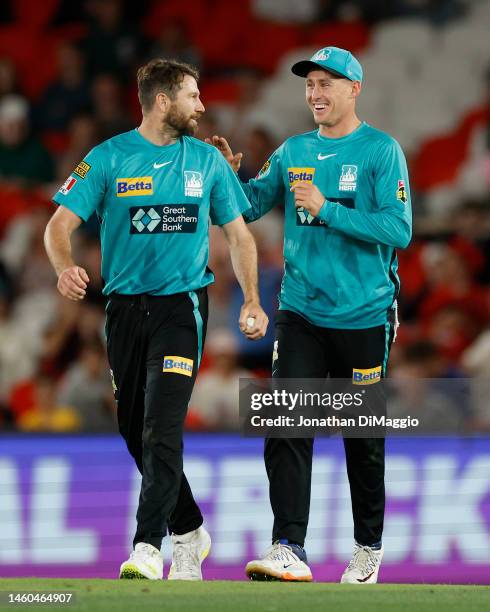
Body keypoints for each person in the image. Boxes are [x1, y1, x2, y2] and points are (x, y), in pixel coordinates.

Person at [44, 58, 268, 581]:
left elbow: (239, 236)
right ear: (163, 101)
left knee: (161, 425)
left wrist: (253, 301)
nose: (203, 105)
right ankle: (190, 528)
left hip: (180, 306)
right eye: (193, 95)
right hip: (123, 310)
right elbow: (58, 226)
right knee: (133, 429)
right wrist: (63, 268)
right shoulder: (108, 158)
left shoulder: (208, 162)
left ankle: (149, 545)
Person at [207, 46, 412, 584]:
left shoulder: (381, 151)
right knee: (287, 426)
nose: (316, 93)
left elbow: (399, 229)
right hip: (300, 311)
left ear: (354, 89)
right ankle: (287, 546)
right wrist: (225, 180)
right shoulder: (294, 149)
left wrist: (328, 210)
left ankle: (368, 547)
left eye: (327, 83)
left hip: (365, 315)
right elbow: (248, 206)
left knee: (362, 441)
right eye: (310, 84)